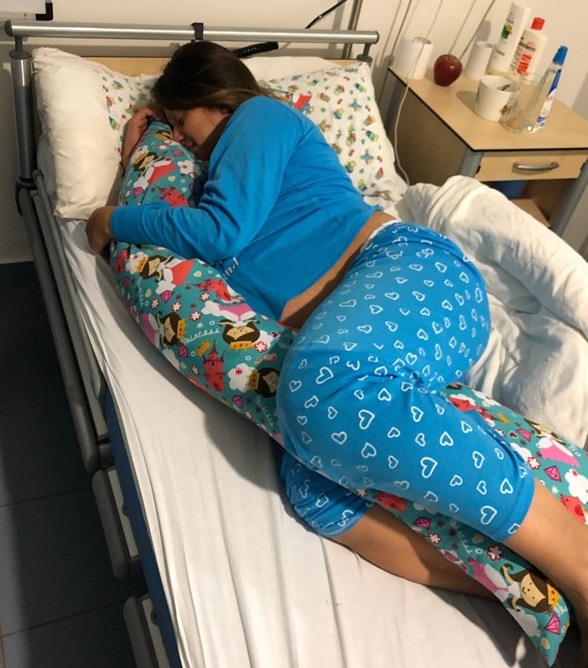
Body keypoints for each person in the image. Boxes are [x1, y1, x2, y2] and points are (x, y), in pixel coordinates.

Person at [86, 40, 588, 664]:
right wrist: (139, 149)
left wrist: (113, 219)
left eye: (182, 120)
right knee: (317, 493)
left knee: (319, 390)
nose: (182, 139)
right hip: (360, 333)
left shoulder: (259, 119)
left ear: (213, 98)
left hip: (409, 273)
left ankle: (579, 567)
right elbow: (173, 200)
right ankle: (537, 598)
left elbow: (219, 233)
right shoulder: (210, 172)